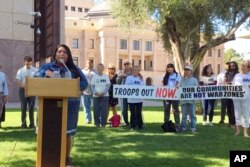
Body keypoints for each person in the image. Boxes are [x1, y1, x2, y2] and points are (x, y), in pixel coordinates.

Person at [34, 44, 88, 166]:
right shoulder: (47, 67)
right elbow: (35, 79)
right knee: (49, 131)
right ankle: (46, 158)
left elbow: (84, 82)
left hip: (70, 106)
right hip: (49, 106)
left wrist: (77, 88)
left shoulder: (73, 70)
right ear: (55, 54)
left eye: (64, 52)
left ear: (68, 56)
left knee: (67, 133)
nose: (62, 54)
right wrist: (46, 77)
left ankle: (66, 159)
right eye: (59, 51)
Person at [16, 56, 38, 128]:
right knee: (23, 107)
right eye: (26, 64)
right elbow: (18, 81)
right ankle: (23, 123)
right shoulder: (20, 70)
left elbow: (37, 80)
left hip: (32, 91)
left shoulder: (35, 70)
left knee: (31, 108)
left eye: (29, 64)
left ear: (31, 62)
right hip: (23, 90)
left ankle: (32, 124)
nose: (27, 65)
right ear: (24, 62)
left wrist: (31, 87)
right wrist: (25, 87)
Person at [232, 60, 250, 137]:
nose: (242, 67)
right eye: (242, 65)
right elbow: (233, 86)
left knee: (246, 115)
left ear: (248, 68)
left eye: (244, 65)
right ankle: (238, 131)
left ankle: (245, 133)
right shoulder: (237, 76)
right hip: (236, 98)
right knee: (237, 114)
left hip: (246, 98)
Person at [125, 66, 145, 131]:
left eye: (136, 70)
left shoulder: (141, 78)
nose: (135, 71)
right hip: (131, 99)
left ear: (138, 71)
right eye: (134, 70)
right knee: (132, 112)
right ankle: (132, 126)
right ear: (132, 71)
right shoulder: (129, 78)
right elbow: (126, 86)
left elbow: (143, 87)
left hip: (139, 99)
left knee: (139, 112)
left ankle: (140, 125)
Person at [91, 63, 111, 127]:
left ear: (103, 68)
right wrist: (95, 92)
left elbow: (108, 85)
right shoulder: (94, 76)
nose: (100, 69)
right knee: (96, 109)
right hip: (96, 95)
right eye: (99, 68)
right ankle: (97, 123)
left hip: (105, 96)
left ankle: (103, 124)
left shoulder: (106, 76)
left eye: (101, 68)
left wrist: (103, 92)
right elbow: (92, 86)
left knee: (104, 110)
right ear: (97, 68)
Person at [180, 65, 198, 132]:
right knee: (184, 115)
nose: (186, 71)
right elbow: (178, 87)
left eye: (188, 70)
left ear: (191, 72)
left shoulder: (194, 80)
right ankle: (183, 127)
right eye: (186, 70)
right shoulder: (182, 79)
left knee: (192, 115)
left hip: (192, 101)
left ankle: (193, 127)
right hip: (183, 100)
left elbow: (197, 89)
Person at [162, 63, 181, 127]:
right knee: (166, 109)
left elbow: (178, 84)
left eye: (170, 67)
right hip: (166, 96)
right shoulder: (165, 76)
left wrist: (177, 86)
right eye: (168, 67)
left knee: (175, 109)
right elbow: (163, 85)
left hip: (175, 95)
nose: (169, 68)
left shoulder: (177, 75)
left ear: (173, 68)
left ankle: (177, 123)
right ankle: (166, 123)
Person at [117, 60, 132, 125]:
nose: (126, 65)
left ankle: (133, 121)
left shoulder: (133, 71)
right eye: (125, 64)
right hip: (123, 93)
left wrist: (127, 76)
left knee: (132, 108)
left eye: (127, 64)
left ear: (130, 64)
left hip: (132, 93)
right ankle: (126, 121)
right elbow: (117, 82)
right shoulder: (121, 72)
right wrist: (120, 76)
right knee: (124, 108)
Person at [81, 59, 97, 124]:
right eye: (88, 63)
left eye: (90, 63)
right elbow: (80, 80)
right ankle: (88, 119)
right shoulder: (82, 71)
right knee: (86, 106)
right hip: (85, 91)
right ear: (86, 63)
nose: (89, 64)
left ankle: (98, 119)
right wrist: (81, 89)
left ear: (92, 64)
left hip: (94, 91)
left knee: (96, 106)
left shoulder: (96, 72)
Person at [224, 61, 239, 128]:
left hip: (235, 94)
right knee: (228, 108)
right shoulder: (226, 73)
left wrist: (230, 83)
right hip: (228, 93)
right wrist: (227, 83)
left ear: (235, 66)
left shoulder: (238, 74)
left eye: (233, 66)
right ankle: (230, 122)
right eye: (230, 66)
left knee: (233, 109)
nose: (232, 67)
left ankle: (234, 123)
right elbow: (225, 82)